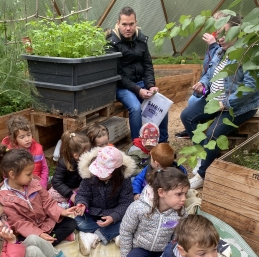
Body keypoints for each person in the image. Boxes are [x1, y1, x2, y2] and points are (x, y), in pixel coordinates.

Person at [181, 15, 259, 189]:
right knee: (187, 116)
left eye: (225, 34)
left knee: (212, 135)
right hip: (215, 100)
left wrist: (227, 102)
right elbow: (210, 74)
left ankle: (202, 175)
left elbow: (251, 87)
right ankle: (203, 153)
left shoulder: (248, 55)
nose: (220, 38)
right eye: (219, 34)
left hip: (238, 106)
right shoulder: (219, 51)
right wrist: (203, 82)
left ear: (237, 33)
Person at [107, 7, 169, 142]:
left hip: (140, 83)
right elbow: (117, 75)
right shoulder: (112, 44)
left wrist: (151, 85)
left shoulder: (141, 40)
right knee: (135, 108)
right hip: (120, 86)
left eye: (131, 24)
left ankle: (163, 142)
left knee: (161, 103)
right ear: (118, 23)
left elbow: (148, 65)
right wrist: (138, 90)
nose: (128, 28)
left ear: (136, 22)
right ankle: (138, 146)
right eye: (124, 24)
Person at [0, 147, 78, 246]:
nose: (32, 177)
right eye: (28, 174)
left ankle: (47, 243)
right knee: (27, 243)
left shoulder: (34, 183)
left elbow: (48, 201)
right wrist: (39, 234)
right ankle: (49, 241)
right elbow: (19, 223)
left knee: (71, 223)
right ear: (12, 174)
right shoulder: (4, 200)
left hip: (46, 222)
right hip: (29, 231)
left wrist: (61, 212)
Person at [120, 167, 189, 257]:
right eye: (179, 194)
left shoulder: (181, 213)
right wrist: (125, 253)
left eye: (185, 193)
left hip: (164, 251)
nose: (184, 198)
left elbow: (176, 240)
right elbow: (126, 230)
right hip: (141, 249)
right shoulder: (138, 208)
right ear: (161, 192)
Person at [74, 146, 135, 255]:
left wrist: (114, 217)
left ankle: (93, 236)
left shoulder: (124, 181)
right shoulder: (89, 176)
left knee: (131, 222)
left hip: (114, 215)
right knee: (78, 221)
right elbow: (83, 194)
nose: (98, 174)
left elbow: (126, 202)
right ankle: (113, 234)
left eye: (103, 172)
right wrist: (82, 204)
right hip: (93, 213)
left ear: (116, 171)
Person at [176, 11, 224, 139]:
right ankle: (193, 130)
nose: (216, 30)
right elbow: (209, 70)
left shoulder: (222, 46)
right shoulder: (219, 45)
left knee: (193, 101)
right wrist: (203, 83)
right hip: (211, 89)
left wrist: (213, 45)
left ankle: (197, 129)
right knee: (193, 100)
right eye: (215, 25)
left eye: (219, 25)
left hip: (222, 97)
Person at [2, 115, 49, 189]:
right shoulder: (11, 154)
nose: (27, 139)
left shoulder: (38, 149)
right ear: (15, 139)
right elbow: (7, 175)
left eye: (29, 134)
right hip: (20, 187)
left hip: (38, 184)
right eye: (22, 137)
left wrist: (43, 184)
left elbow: (44, 169)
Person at [49, 131, 91, 208]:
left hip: (78, 188)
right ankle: (63, 204)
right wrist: (70, 194)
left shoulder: (86, 161)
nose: (89, 154)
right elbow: (56, 182)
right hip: (66, 189)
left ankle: (72, 202)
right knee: (51, 194)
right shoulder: (63, 163)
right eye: (86, 152)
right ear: (76, 155)